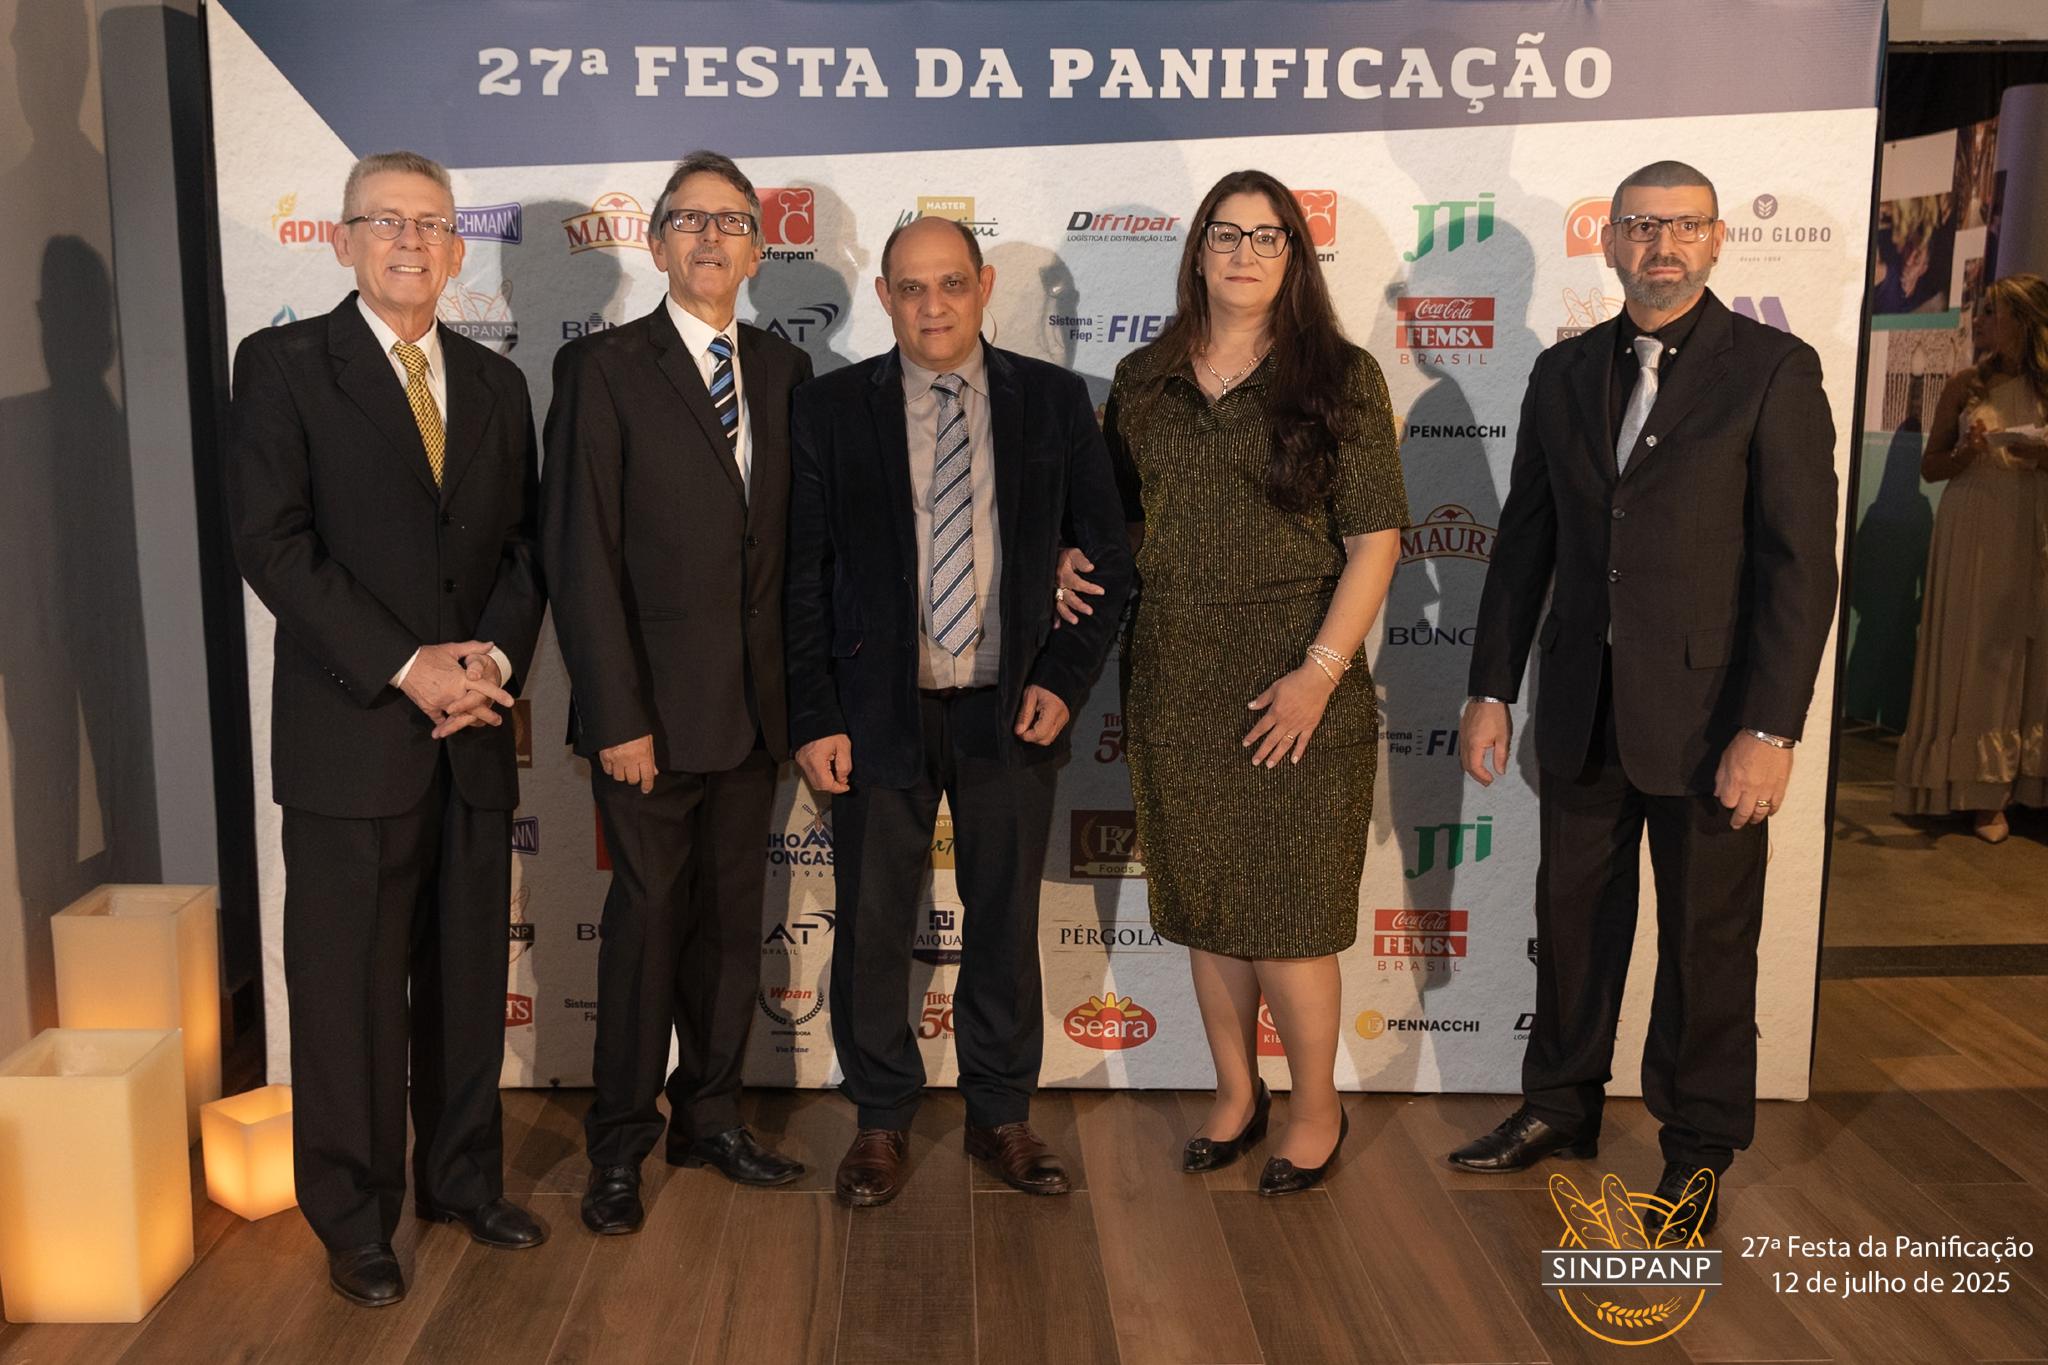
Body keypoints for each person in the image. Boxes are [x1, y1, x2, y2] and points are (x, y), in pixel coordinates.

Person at [1449, 160, 1839, 1241]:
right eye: (1640, 226)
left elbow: (1800, 568)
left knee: (1707, 945)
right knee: (1570, 923)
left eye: (1682, 226)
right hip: (1582, 710)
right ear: (1610, 241)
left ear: (1714, 240)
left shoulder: (1772, 369)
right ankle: (1558, 1106)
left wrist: (1770, 728)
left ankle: (1697, 1149)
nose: (1660, 245)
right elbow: (1525, 543)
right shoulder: (1563, 372)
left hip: (1716, 724)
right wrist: (1490, 687)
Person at [226, 150, 547, 1306]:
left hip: (473, 735)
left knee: (462, 981)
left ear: (457, 248)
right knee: (349, 997)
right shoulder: (281, 366)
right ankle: (355, 1220)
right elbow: (273, 545)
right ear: (342, 239)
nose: (411, 241)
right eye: (386, 221)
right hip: (352, 736)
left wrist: (489, 662)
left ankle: (461, 1181)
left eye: (431, 224)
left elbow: (524, 550)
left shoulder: (497, 383)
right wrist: (408, 668)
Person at [1056, 169, 1404, 1195]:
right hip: (1175, 679)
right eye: (1225, 234)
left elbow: (1375, 542)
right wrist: (1073, 557)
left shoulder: (1341, 377)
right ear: (1197, 251)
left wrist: (1317, 677)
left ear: (1294, 256)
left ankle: (1316, 1106)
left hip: (1300, 680)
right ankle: (1235, 1095)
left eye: (1266, 236)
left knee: (1290, 916)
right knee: (1206, 906)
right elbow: (1122, 523)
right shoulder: (1144, 378)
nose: (1244, 254)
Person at [784, 215, 1133, 1207]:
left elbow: (1106, 558)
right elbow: (800, 580)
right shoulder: (829, 409)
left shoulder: (1053, 402)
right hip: (873, 714)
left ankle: (1000, 1111)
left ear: (982, 286)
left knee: (1005, 920)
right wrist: (814, 715)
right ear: (884, 296)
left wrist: (1062, 680)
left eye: (948, 284)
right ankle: (880, 1118)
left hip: (1009, 711)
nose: (931, 305)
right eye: (910, 287)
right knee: (872, 922)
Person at [542, 151, 814, 1237]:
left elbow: (792, 549)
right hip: (646, 719)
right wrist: (617, 717)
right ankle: (619, 1145)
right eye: (688, 220)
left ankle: (710, 1116)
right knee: (647, 929)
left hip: (753, 713)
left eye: (731, 221)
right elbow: (580, 555)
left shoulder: (785, 369)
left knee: (731, 928)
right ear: (655, 244)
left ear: (757, 249)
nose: (710, 238)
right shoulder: (601, 369)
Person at [1893, 273, 2048, 840]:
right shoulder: (1966, 384)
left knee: (2029, 652)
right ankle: (1982, 793)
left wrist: (2039, 455)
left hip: (2034, 523)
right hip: (1976, 524)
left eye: (1992, 312)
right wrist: (1966, 452)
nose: (1980, 321)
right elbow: (1931, 466)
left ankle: (2026, 783)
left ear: (2024, 322)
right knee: (1978, 652)